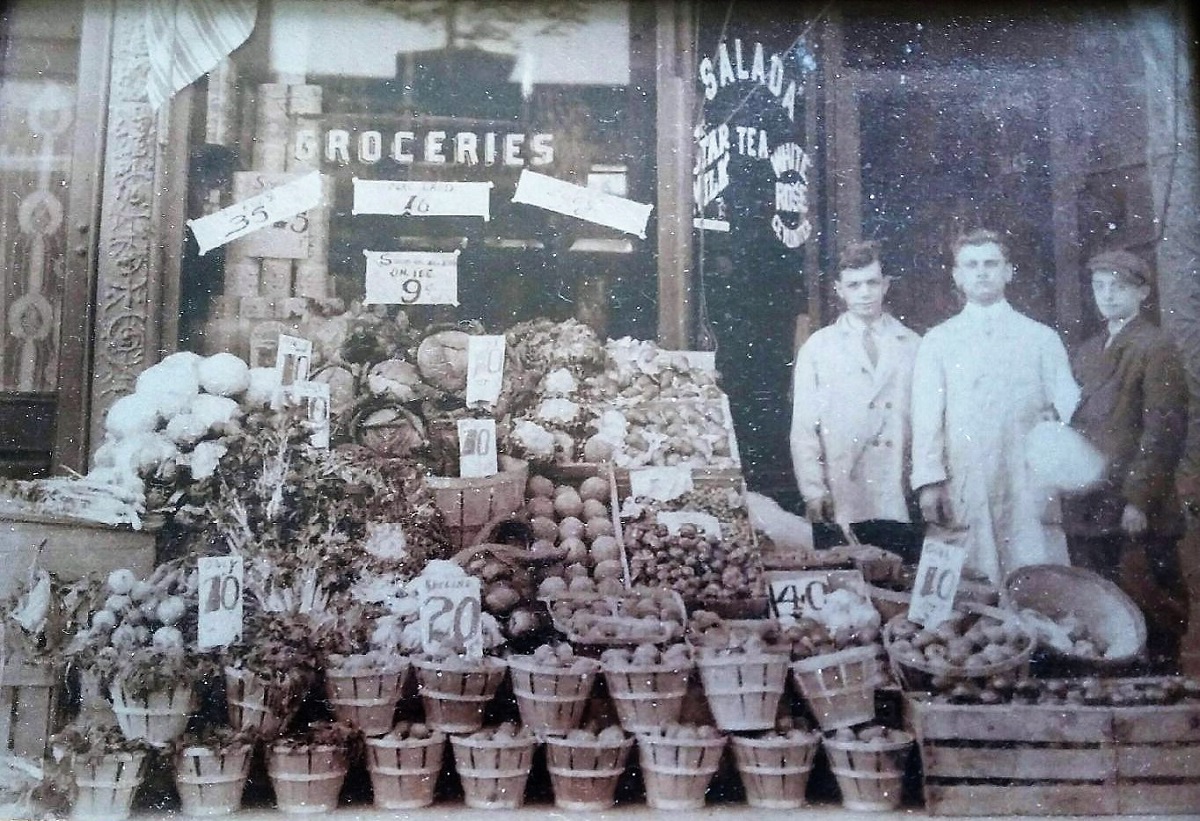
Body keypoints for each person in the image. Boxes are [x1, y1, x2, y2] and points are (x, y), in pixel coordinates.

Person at [910, 229, 1080, 584]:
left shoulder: (1040, 338)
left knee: (1034, 566)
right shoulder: (939, 341)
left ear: (1008, 271)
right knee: (968, 574)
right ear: (957, 276)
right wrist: (929, 481)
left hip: (1024, 475)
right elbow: (926, 418)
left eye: (991, 263)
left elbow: (1069, 407)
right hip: (965, 475)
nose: (982, 272)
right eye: (971, 265)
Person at [1061, 249, 1190, 673]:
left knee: (1151, 597)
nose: (1108, 295)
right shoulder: (1088, 350)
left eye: (1119, 286)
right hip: (1091, 500)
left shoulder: (1156, 347)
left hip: (1135, 504)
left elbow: (1163, 431)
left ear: (1143, 293)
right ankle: (1117, 687)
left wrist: (1139, 500)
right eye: (1100, 286)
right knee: (1101, 602)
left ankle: (1162, 687)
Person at [790, 240, 922, 562]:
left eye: (872, 283)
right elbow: (804, 427)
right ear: (839, 290)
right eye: (854, 285)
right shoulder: (819, 348)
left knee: (896, 579)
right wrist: (813, 489)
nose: (864, 293)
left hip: (895, 489)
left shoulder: (913, 345)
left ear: (886, 285)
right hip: (843, 490)